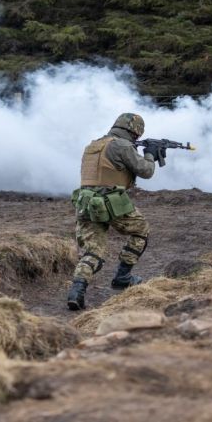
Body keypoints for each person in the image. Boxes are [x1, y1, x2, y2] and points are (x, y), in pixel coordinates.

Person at [67, 112, 162, 311]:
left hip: (86, 202)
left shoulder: (93, 145)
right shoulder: (122, 145)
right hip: (112, 201)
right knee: (140, 230)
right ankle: (122, 277)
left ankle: (76, 291)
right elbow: (146, 171)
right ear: (135, 131)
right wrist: (151, 153)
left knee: (93, 251)